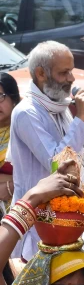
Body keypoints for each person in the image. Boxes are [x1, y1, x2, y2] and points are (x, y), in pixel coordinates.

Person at [8, 41, 84, 261]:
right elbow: (57, 163)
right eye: (64, 73)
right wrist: (81, 119)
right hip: (38, 224)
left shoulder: (58, 105)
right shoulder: (27, 112)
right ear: (41, 74)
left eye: (71, 71)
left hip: (63, 220)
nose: (71, 79)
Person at [0, 73, 19, 209]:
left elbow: (43, 172)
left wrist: (11, 186)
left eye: (0, 96)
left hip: (20, 207)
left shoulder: (23, 130)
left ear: (14, 99)